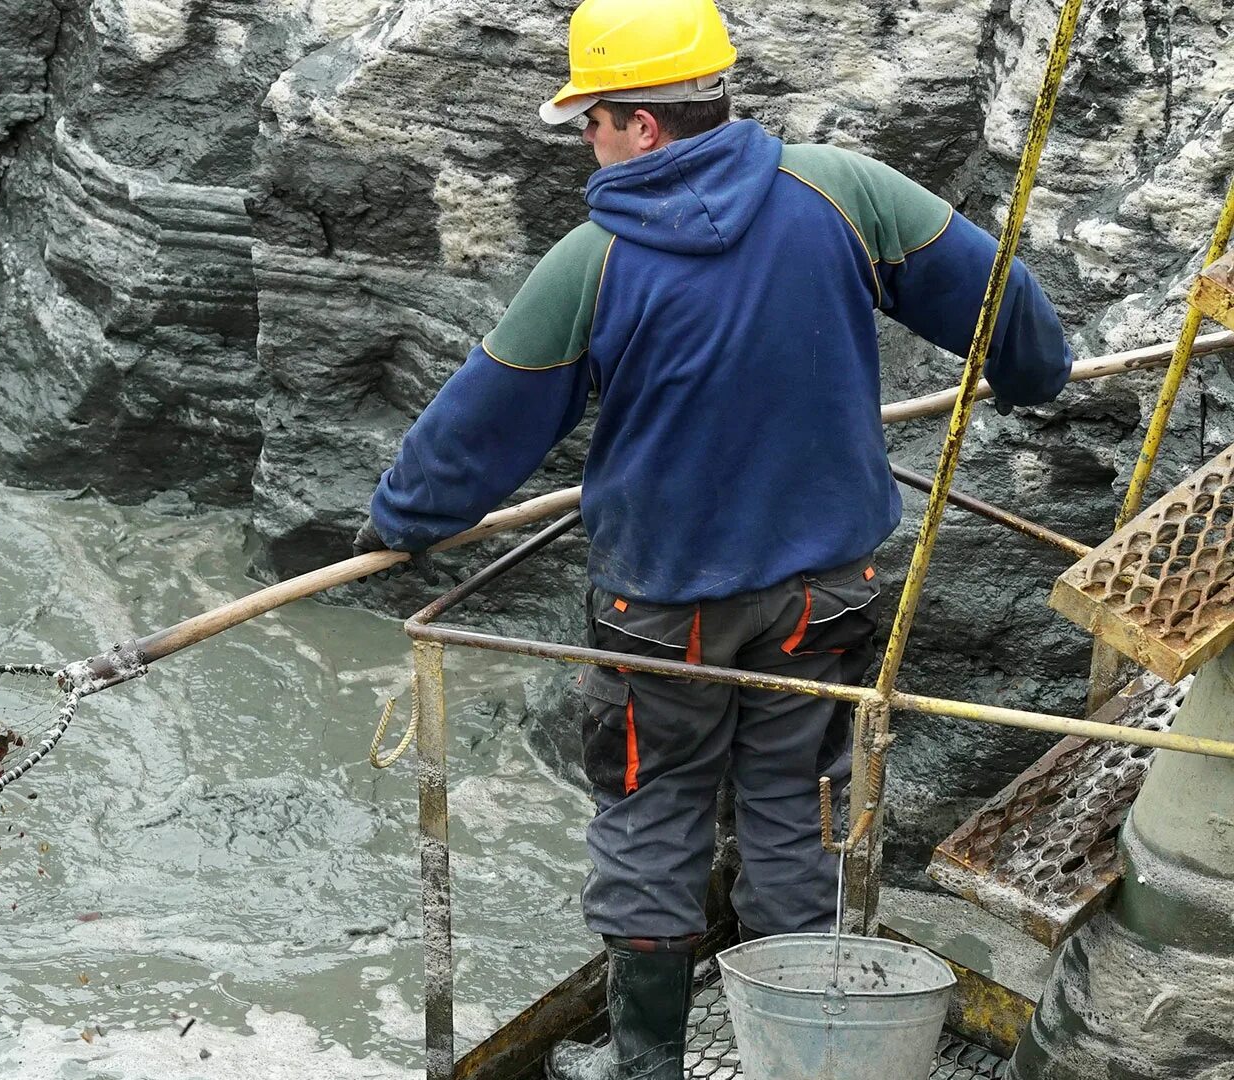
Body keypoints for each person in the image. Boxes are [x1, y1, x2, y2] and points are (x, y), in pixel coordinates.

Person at [351, 0, 1073, 1076]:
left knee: (653, 814)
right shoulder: (845, 192)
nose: (583, 139)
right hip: (828, 595)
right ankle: (803, 1048)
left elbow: (473, 440)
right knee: (796, 803)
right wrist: (1036, 378)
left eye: (590, 118)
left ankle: (645, 1065)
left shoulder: (591, 262)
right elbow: (1006, 310)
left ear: (641, 124)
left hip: (662, 610)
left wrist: (396, 527)